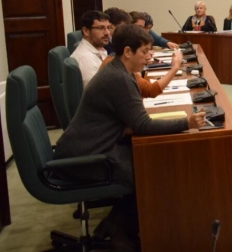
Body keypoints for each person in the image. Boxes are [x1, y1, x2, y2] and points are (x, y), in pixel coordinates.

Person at [56, 24, 206, 188]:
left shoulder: (119, 70)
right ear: (127, 52)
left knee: (156, 154)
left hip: (93, 147)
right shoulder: (118, 78)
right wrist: (187, 123)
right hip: (85, 160)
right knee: (157, 165)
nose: (148, 57)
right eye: (144, 51)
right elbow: (143, 125)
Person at [70, 10, 111, 87]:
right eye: (101, 28)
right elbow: (96, 90)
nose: (107, 33)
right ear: (86, 31)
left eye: (108, 28)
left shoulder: (99, 49)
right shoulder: (86, 58)